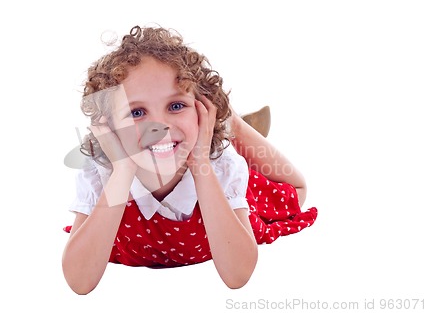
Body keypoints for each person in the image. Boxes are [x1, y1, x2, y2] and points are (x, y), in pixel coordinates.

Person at [62, 25, 318, 294]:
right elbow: (79, 282)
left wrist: (200, 165)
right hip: (128, 165)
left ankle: (232, 123)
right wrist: (122, 171)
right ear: (109, 127)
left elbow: (237, 275)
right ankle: (227, 121)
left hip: (205, 161)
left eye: (175, 106)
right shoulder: (101, 173)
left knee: (297, 192)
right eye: (137, 112)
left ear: (200, 111)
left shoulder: (220, 167)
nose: (159, 125)